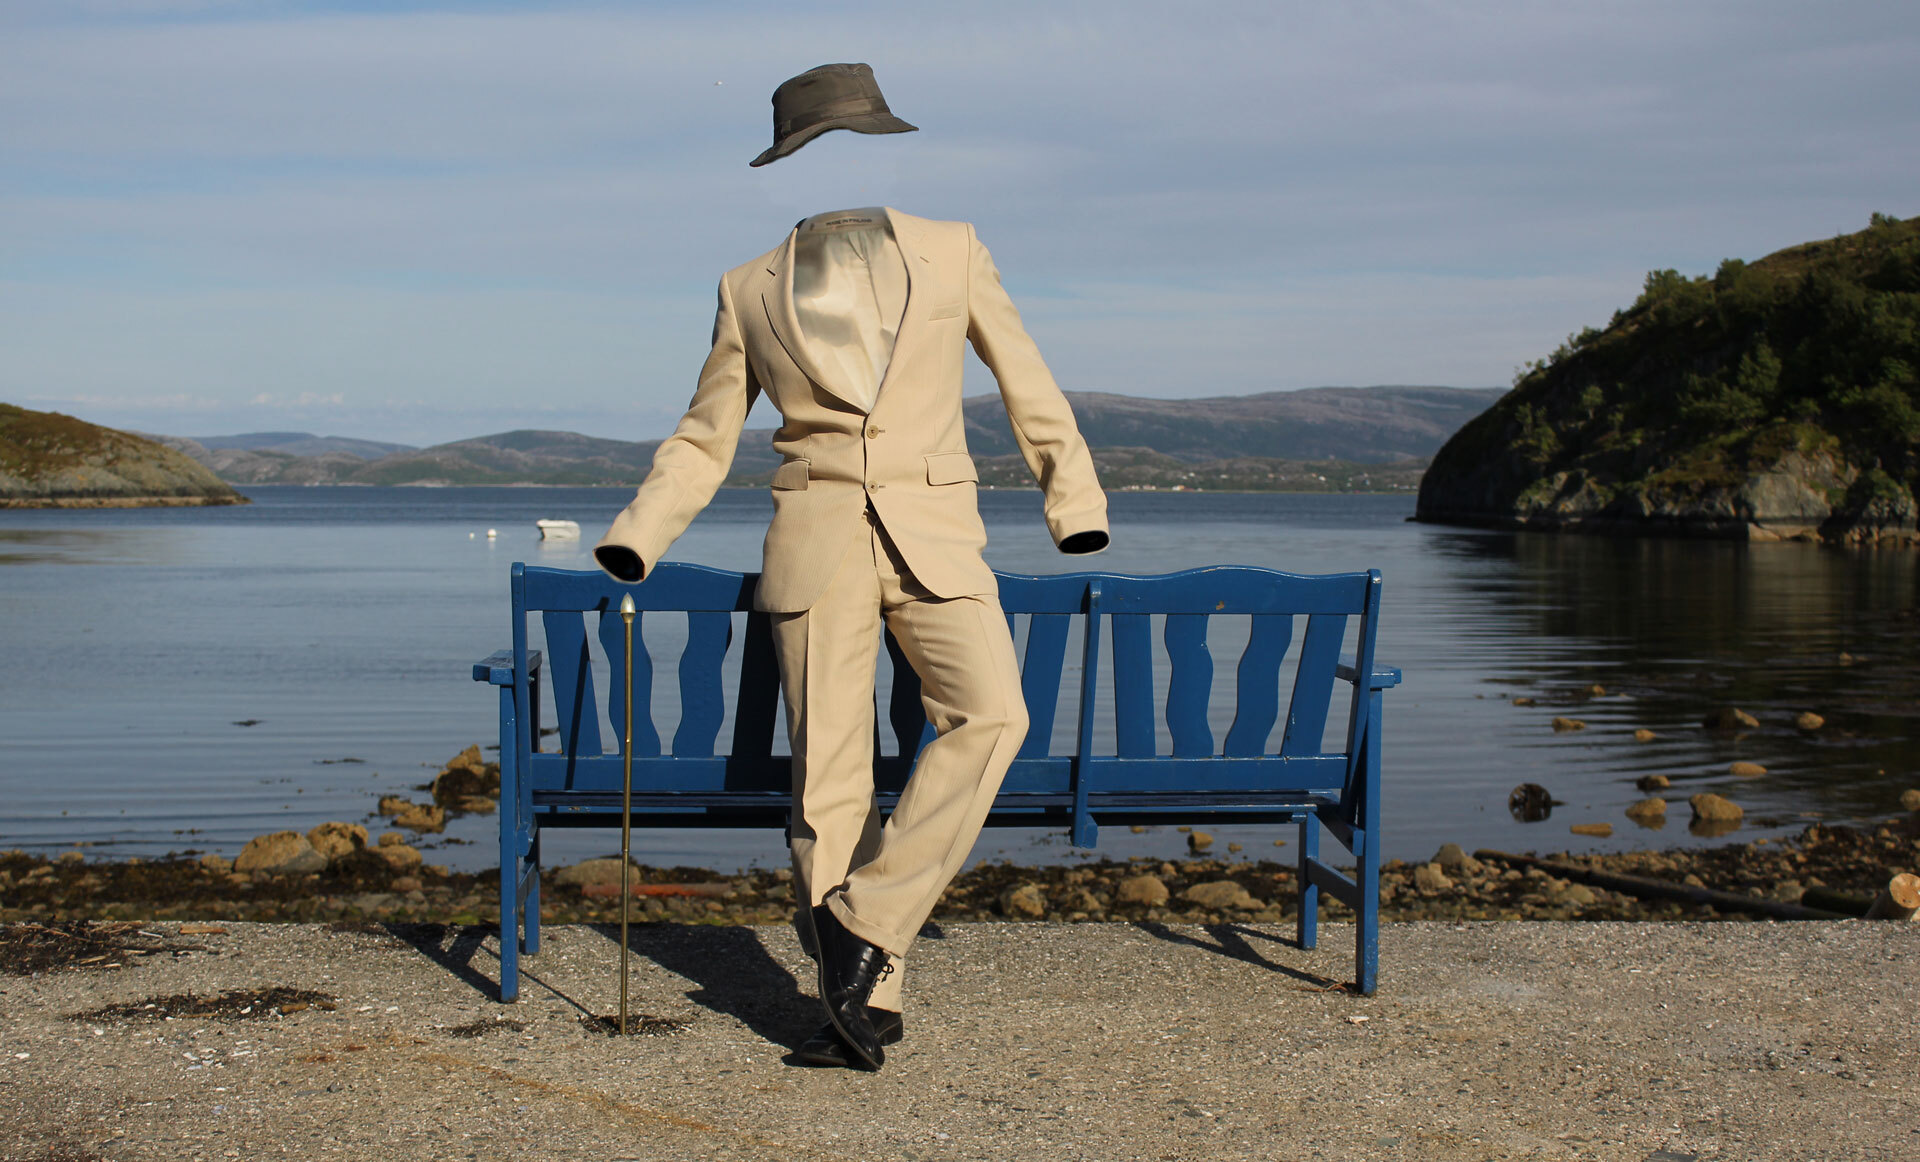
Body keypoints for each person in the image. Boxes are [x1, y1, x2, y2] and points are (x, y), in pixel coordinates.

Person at [593, 62, 1108, 1070]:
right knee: (830, 779)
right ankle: (861, 1004)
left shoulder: (953, 251)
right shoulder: (747, 287)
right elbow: (704, 437)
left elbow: (1026, 380)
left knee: (992, 712)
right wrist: (638, 534)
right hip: (815, 538)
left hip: (936, 535)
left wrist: (1072, 498)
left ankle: (861, 923)